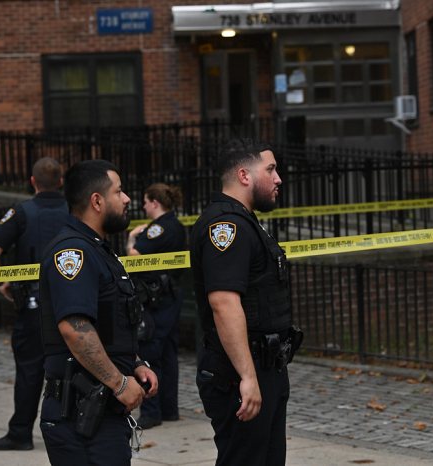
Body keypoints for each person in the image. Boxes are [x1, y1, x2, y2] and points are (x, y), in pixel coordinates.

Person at [38, 159, 159, 466]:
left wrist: (134, 364)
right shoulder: (73, 252)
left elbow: (106, 325)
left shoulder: (98, 250)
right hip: (81, 416)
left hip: (100, 413)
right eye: (119, 191)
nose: (128, 198)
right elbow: (74, 327)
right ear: (97, 201)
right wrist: (119, 383)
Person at [190, 138, 302, 466]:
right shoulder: (227, 226)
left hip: (264, 364)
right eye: (270, 169)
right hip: (240, 371)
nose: (279, 178)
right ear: (244, 175)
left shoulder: (246, 222)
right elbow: (224, 302)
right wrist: (247, 377)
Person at [0, 157, 69, 451]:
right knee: (74, 367)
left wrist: (2, 284)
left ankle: (20, 433)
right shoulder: (75, 209)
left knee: (30, 370)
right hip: (72, 301)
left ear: (32, 181)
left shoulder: (21, 212)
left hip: (34, 304)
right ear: (61, 181)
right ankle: (72, 427)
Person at [125, 183, 186, 429]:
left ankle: (151, 412)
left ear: (155, 203)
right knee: (169, 353)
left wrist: (131, 239)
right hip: (170, 295)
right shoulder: (177, 225)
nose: (143, 205)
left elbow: (135, 256)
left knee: (150, 351)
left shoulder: (158, 228)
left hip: (156, 298)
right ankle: (169, 408)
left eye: (146, 201)